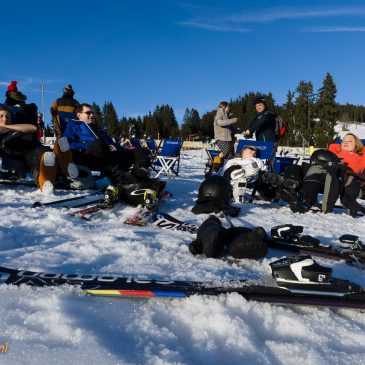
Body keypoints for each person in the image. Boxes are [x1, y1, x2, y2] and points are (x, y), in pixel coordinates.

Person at [264, 134, 365, 217]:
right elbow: (327, 152)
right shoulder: (334, 153)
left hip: (336, 176)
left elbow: (357, 169)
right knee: (295, 168)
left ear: (357, 145)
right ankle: (292, 183)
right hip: (321, 168)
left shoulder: (359, 157)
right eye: (343, 140)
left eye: (350, 141)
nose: (345, 142)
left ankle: (303, 199)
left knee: (316, 174)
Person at [0, 105, 78, 193]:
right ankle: (63, 165)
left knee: (45, 155)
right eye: (1, 116)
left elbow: (33, 128)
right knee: (40, 158)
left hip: (33, 148)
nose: (5, 119)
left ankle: (58, 168)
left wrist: (6, 128)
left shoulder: (12, 127)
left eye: (8, 117)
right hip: (17, 152)